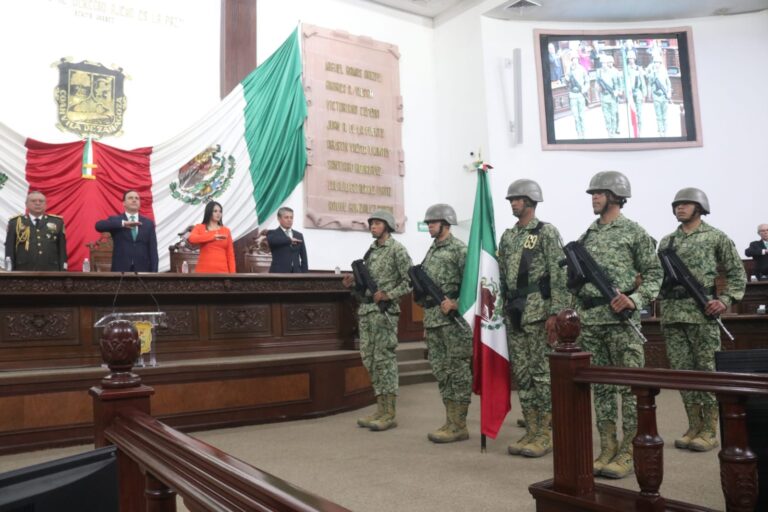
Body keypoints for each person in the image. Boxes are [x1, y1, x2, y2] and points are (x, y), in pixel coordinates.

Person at [572, 171, 662, 479]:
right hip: (592, 322)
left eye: (599, 193)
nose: (594, 198)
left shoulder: (634, 232)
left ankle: (629, 450)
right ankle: (608, 447)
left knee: (629, 387)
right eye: (592, 193)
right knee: (601, 388)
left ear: (615, 196)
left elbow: (654, 274)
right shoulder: (588, 235)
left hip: (622, 322)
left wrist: (635, 299)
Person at [658, 188, 746, 453]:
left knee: (706, 372)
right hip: (673, 314)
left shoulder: (716, 237)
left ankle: (709, 429)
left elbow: (736, 273)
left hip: (702, 314)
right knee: (684, 375)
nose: (680, 208)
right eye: (677, 205)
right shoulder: (666, 242)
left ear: (699, 207)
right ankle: (693, 425)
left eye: (686, 204)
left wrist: (726, 299)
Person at [499, 180, 568, 458]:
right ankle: (532, 428)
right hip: (514, 311)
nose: (513, 203)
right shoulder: (507, 236)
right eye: (511, 199)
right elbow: (502, 274)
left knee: (541, 374)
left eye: (518, 199)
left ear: (531, 201)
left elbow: (559, 272)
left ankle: (545, 433)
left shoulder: (546, 232)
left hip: (538, 311)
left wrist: (556, 312)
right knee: (523, 375)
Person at [342, 210, 412, 431]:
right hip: (367, 312)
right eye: (371, 223)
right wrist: (353, 283)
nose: (373, 226)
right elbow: (366, 284)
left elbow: (410, 282)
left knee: (384, 361)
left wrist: (389, 295)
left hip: (385, 313)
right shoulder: (371, 251)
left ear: (388, 226)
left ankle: (389, 412)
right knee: (370, 360)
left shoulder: (397, 250)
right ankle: (380, 408)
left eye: (378, 223)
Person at [417, 204, 472, 443]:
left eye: (434, 222)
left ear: (446, 224)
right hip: (434, 321)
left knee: (457, 373)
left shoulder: (459, 249)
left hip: (454, 323)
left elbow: (474, 283)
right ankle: (450, 420)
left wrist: (458, 303)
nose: (429, 225)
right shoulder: (432, 250)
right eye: (428, 222)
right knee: (442, 373)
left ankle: (459, 424)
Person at [95, 190, 158, 272]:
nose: (134, 200)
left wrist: (154, 274)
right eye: (130, 198)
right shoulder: (116, 220)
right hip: (120, 270)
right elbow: (98, 226)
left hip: (143, 271)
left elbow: (153, 251)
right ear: (124, 203)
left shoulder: (148, 223)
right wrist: (123, 223)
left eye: (137, 198)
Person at [5, 191, 67, 271]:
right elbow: (9, 249)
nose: (38, 203)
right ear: (26, 204)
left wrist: (63, 270)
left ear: (46, 205)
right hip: (23, 271)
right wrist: (9, 271)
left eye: (41, 201)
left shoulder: (57, 222)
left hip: (51, 271)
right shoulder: (15, 222)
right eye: (33, 201)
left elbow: (62, 249)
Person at [188, 201, 235, 273]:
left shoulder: (226, 231)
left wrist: (233, 275)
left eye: (220, 211)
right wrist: (212, 237)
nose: (218, 213)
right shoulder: (200, 227)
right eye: (215, 211)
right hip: (203, 272)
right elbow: (192, 239)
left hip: (222, 272)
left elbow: (230, 255)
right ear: (209, 212)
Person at [267, 207, 308, 273]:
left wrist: (304, 275)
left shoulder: (299, 235)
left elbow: (304, 258)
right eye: (286, 217)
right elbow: (273, 241)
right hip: (278, 275)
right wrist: (289, 240)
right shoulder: (272, 233)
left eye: (291, 217)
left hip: (296, 274)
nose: (289, 220)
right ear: (279, 219)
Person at [597, 54, 622, 136]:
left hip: (612, 97)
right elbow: (597, 85)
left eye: (605, 63)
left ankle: (614, 130)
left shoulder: (613, 72)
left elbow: (617, 84)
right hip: (604, 97)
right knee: (607, 117)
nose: (604, 65)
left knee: (613, 115)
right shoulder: (599, 73)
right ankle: (609, 131)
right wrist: (598, 89)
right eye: (602, 63)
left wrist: (617, 91)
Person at [565, 56, 590, 138]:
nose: (574, 61)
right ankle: (579, 134)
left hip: (580, 94)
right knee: (575, 117)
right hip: (572, 95)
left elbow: (587, 81)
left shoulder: (582, 69)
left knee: (582, 116)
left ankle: (584, 133)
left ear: (577, 60)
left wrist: (585, 89)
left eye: (575, 59)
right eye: (573, 59)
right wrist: (566, 79)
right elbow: (566, 84)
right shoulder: (568, 70)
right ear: (571, 60)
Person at [647, 58, 672, 136]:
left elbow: (668, 83)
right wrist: (649, 95)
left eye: (658, 63)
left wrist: (669, 93)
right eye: (655, 63)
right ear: (653, 64)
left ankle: (665, 132)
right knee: (658, 116)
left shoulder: (664, 72)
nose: (656, 64)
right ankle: (660, 132)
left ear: (660, 64)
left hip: (664, 97)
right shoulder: (652, 74)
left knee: (665, 116)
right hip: (656, 97)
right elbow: (649, 84)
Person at [626, 56, 647, 133]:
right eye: (629, 58)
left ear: (634, 59)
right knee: (632, 111)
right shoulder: (626, 69)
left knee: (639, 112)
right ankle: (634, 129)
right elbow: (624, 81)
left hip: (638, 92)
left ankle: (639, 129)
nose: (630, 60)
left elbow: (643, 81)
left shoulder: (638, 68)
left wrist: (644, 94)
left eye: (631, 58)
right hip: (630, 93)